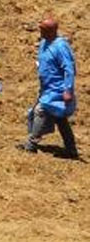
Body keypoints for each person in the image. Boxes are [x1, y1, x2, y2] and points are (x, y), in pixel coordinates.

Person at [21, 17, 78, 159]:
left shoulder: (61, 46)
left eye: (43, 30)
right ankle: (71, 150)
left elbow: (69, 69)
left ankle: (31, 145)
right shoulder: (44, 43)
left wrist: (68, 89)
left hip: (58, 89)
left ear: (52, 31)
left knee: (40, 111)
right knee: (60, 118)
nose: (40, 32)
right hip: (47, 87)